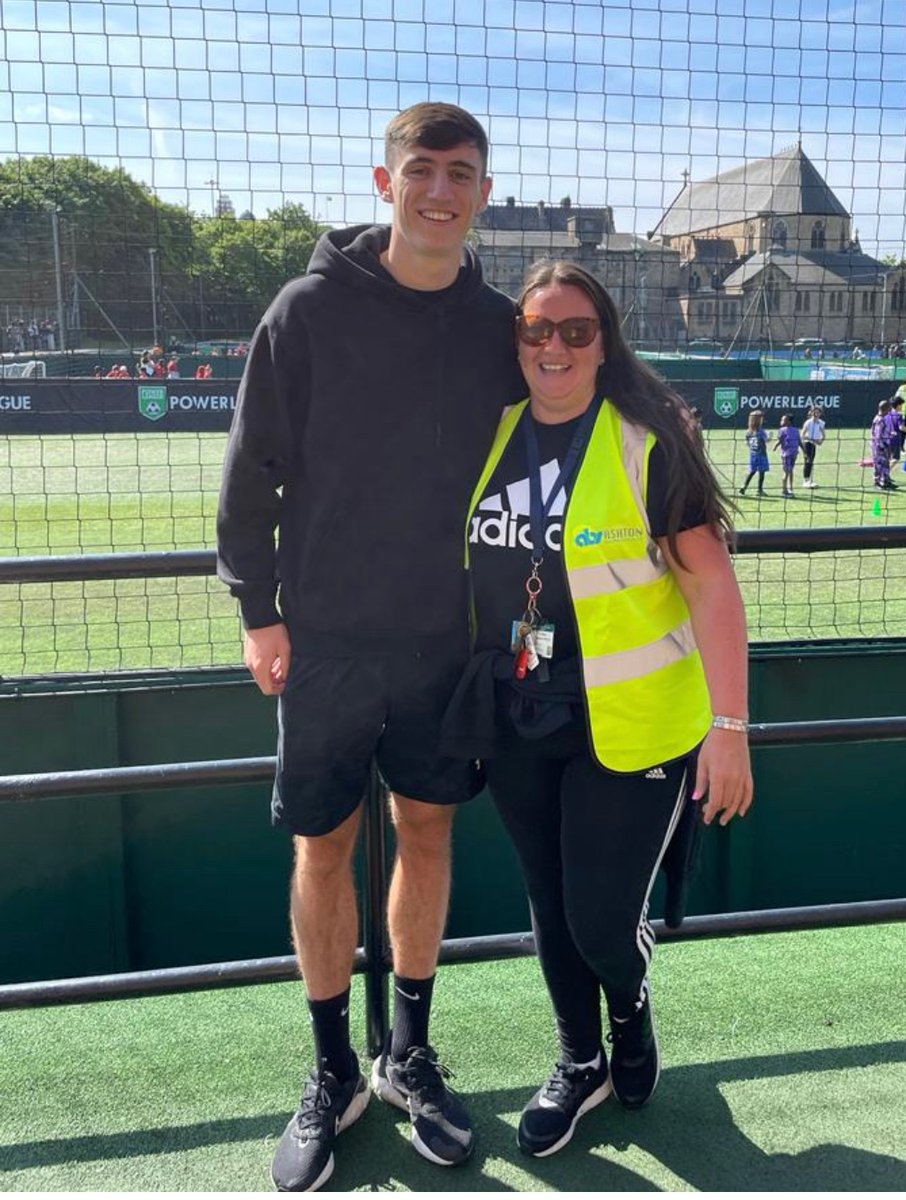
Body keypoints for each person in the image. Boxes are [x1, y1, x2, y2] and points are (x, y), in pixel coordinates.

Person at [216, 102, 522, 1190]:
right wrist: (258, 611)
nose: (441, 190)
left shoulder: (500, 327)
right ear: (386, 183)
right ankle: (333, 1070)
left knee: (427, 836)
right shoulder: (305, 311)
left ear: (483, 193)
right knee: (323, 848)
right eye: (422, 170)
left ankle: (408, 1057)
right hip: (328, 642)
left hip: (447, 646)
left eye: (461, 173)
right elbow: (249, 475)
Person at [442, 259, 752, 1158]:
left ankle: (630, 1009)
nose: (555, 346)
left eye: (576, 330)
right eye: (536, 329)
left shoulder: (646, 442)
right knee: (549, 904)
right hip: (517, 709)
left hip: (633, 722)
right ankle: (582, 1062)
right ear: (516, 342)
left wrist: (730, 729)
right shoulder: (491, 430)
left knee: (601, 921)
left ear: (604, 342)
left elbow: (713, 589)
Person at [738, 409, 769, 496]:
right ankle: (759, 490)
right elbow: (766, 440)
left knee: (752, 471)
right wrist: (770, 436)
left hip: (753, 454)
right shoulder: (761, 431)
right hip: (762, 454)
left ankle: (743, 487)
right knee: (762, 472)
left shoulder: (749, 431)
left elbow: (746, 442)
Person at [871, 399, 897, 490]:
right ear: (886, 409)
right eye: (889, 408)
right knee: (879, 464)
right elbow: (878, 435)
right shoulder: (879, 420)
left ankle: (886, 481)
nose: (890, 410)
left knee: (886, 464)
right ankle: (877, 482)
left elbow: (883, 432)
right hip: (879, 446)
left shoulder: (882, 418)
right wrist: (882, 446)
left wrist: (890, 434)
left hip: (885, 444)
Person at [774, 412, 800, 498]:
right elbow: (780, 440)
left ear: (789, 421)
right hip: (786, 454)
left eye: (783, 420)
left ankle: (790, 488)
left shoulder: (795, 430)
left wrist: (804, 452)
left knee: (791, 470)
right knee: (786, 472)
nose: (781, 421)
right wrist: (775, 446)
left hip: (794, 453)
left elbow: (799, 441)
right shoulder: (782, 430)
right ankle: (784, 490)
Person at [800, 406, 826, 488]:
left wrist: (820, 441)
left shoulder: (821, 423)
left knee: (811, 462)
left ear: (820, 414)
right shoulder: (808, 422)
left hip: (814, 444)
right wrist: (812, 439)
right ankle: (806, 480)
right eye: (814, 412)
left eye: (818, 412)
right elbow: (802, 435)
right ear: (811, 413)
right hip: (807, 443)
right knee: (808, 461)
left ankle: (810, 480)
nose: (816, 414)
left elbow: (823, 435)